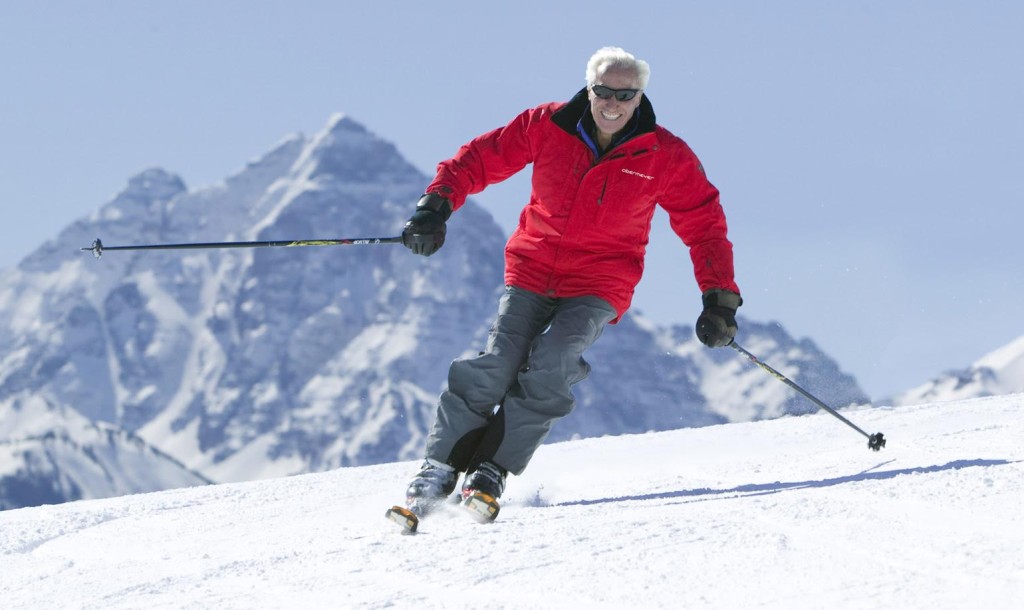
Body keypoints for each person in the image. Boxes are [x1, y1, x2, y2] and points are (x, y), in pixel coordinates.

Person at [399, 46, 742, 515]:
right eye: (604, 90)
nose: (613, 102)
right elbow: (481, 158)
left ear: (639, 97)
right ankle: (438, 467)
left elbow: (704, 225)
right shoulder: (548, 125)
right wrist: (435, 205)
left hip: (600, 282)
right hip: (533, 268)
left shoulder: (664, 155)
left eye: (626, 94)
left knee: (554, 361)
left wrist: (718, 299)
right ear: (589, 87)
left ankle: (492, 470)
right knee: (500, 362)